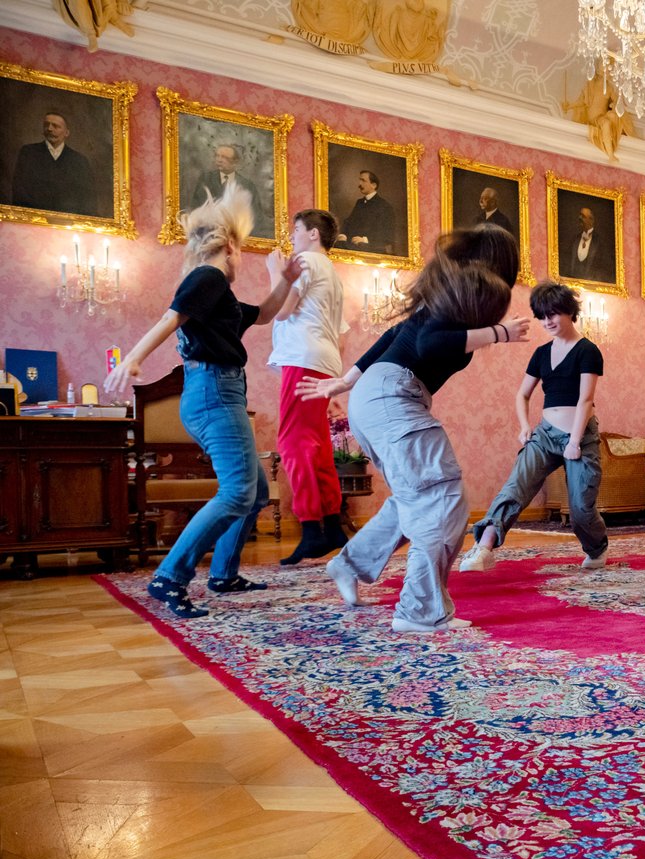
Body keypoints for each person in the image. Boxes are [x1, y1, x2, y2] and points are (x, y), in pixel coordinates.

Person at [297, 226, 529, 634]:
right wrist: (501, 333)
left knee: (414, 497)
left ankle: (350, 564)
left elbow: (393, 335)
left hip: (376, 397)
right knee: (440, 497)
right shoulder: (456, 303)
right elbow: (428, 346)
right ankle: (420, 611)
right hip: (393, 396)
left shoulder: (444, 299)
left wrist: (345, 381)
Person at [103, 187, 301, 619]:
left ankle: (224, 574)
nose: (241, 258)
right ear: (230, 246)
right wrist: (133, 359)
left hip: (220, 391)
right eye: (242, 251)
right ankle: (170, 576)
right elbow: (169, 317)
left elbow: (264, 314)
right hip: (213, 391)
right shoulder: (207, 279)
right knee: (236, 493)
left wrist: (283, 279)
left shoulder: (219, 295)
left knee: (255, 492)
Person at [460, 282, 607, 573]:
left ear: (570, 312)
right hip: (545, 435)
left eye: (553, 314)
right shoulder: (541, 353)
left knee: (580, 510)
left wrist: (575, 442)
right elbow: (522, 394)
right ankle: (483, 548)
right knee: (515, 488)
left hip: (579, 435)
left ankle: (597, 547)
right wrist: (525, 426)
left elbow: (585, 399)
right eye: (542, 316)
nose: (547, 321)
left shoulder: (588, 350)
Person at [266, 208, 349, 565]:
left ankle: (312, 526)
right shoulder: (332, 273)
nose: (292, 237)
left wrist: (274, 272)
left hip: (302, 358)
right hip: (324, 360)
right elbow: (340, 334)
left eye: (296, 230)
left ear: (313, 234)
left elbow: (282, 310)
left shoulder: (305, 261)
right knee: (316, 446)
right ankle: (331, 525)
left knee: (292, 441)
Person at [11, 110, 98, 216]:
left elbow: (87, 200)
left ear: (67, 133)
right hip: (34, 220)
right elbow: (19, 190)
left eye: (55, 126)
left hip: (67, 225)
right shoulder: (28, 153)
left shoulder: (80, 161)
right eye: (46, 125)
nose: (50, 129)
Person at [186, 144, 261, 230]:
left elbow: (256, 216)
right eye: (217, 156)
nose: (219, 160)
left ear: (235, 162)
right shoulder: (206, 179)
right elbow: (196, 207)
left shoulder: (248, 186)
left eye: (225, 157)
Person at [336, 170, 396, 253]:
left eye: (363, 181)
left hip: (373, 249)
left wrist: (365, 240)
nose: (359, 184)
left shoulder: (385, 206)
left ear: (373, 185)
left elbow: (387, 234)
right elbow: (348, 222)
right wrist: (342, 235)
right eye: (359, 180)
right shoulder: (359, 202)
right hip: (354, 246)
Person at [562, 205, 613, 282]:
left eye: (583, 216)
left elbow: (606, 269)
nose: (579, 218)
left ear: (591, 220)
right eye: (580, 215)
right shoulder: (574, 240)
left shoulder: (600, 242)